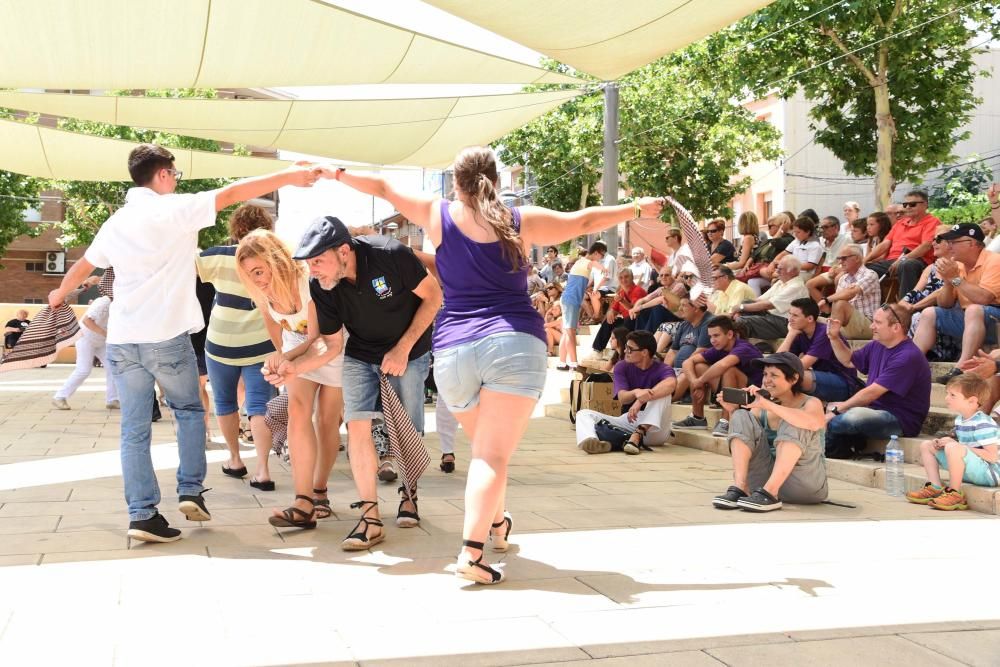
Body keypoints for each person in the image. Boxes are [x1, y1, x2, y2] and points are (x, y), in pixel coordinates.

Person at [324, 146, 665, 584]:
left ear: (456, 183)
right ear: (497, 181)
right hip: (513, 345)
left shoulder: (437, 213)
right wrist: (636, 207)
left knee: (489, 451)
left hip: (452, 355)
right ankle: (471, 552)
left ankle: (498, 523)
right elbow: (583, 221)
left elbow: (384, 187)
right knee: (491, 455)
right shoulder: (518, 220)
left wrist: (335, 172)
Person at [47, 143, 319, 545]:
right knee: (189, 411)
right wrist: (290, 177)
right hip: (166, 337)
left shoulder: (117, 222)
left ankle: (142, 514)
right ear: (162, 175)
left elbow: (85, 264)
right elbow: (233, 194)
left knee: (133, 431)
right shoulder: (175, 208)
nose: (176, 180)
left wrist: (60, 293)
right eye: (174, 174)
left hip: (123, 341)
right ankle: (190, 490)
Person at [269, 215, 440, 549]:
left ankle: (409, 495)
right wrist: (295, 368)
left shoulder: (390, 254)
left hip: (410, 348)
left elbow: (434, 297)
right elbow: (329, 344)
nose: (313, 270)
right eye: (309, 263)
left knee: (406, 426)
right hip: (361, 352)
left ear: (343, 251)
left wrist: (403, 349)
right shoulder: (323, 287)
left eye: (318, 261)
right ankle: (371, 518)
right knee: (357, 426)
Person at [237, 229, 346, 527]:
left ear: (277, 260)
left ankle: (319, 488)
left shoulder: (307, 282)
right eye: (250, 274)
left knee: (327, 420)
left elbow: (316, 338)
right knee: (298, 411)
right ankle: (303, 501)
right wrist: (279, 361)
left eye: (260, 270)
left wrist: (286, 360)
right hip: (295, 346)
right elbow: (280, 334)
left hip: (331, 343)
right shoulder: (261, 293)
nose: (257, 279)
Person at [197, 203, 278, 491]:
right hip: (262, 344)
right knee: (259, 406)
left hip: (220, 344)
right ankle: (263, 470)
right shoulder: (276, 258)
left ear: (235, 227)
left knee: (225, 403)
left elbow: (187, 265)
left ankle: (234, 459)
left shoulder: (218, 255)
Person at [713, 352, 828, 511]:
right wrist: (733, 411)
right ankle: (741, 487)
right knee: (741, 415)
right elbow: (745, 439)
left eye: (774, 375)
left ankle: (771, 493)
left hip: (804, 486)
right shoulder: (762, 407)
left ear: (794, 379)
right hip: (761, 486)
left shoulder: (811, 402)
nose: (766, 380)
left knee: (795, 420)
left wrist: (767, 404)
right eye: (765, 374)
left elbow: (814, 422)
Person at [823, 304, 931, 459]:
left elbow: (872, 393)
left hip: (900, 420)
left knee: (852, 417)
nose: (871, 326)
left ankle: (828, 443)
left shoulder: (908, 356)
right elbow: (848, 360)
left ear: (896, 327)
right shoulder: (877, 345)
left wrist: (838, 410)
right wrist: (834, 337)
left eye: (877, 322)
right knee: (833, 410)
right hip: (874, 409)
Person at [913, 223, 1000, 384]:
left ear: (972, 243)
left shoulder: (994, 260)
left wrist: (955, 279)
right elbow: (945, 304)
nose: (949, 246)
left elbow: (985, 298)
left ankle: (961, 367)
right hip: (969, 318)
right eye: (949, 242)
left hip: (995, 319)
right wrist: (947, 281)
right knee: (929, 313)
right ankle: (911, 363)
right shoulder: (957, 265)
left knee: (974, 310)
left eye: (954, 242)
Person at [906, 374, 999, 510]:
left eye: (953, 395)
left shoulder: (982, 423)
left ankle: (955, 494)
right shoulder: (961, 419)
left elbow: (992, 456)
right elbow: (962, 448)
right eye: (947, 393)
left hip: (989, 474)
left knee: (953, 447)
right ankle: (936, 487)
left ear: (972, 401)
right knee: (927, 445)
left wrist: (957, 445)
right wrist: (944, 442)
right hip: (973, 469)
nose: (946, 398)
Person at [575, 330, 676, 455]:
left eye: (630, 349)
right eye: (625, 348)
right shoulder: (621, 366)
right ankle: (591, 442)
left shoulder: (663, 368)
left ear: (644, 352)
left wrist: (641, 400)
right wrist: (635, 392)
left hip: (656, 429)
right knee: (583, 414)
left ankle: (638, 434)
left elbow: (671, 384)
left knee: (663, 393)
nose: (624, 351)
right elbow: (623, 398)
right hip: (631, 420)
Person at [672, 316, 763, 436]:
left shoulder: (743, 347)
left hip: (752, 396)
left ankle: (726, 421)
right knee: (698, 367)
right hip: (732, 392)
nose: (712, 340)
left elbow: (723, 365)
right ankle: (697, 418)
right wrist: (695, 382)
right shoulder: (719, 348)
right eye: (710, 336)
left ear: (730, 334)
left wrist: (700, 380)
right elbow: (687, 362)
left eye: (716, 335)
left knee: (729, 370)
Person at [777, 298, 859, 402]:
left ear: (810, 319)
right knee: (776, 373)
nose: (790, 319)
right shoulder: (799, 332)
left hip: (845, 383)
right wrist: (791, 334)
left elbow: (801, 367)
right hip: (822, 379)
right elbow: (775, 361)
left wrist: (791, 333)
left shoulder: (824, 333)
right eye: (790, 314)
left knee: (795, 376)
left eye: (795, 316)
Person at [864, 190, 941, 295]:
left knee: (906, 265)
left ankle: (906, 305)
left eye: (912, 204)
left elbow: (926, 246)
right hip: (892, 261)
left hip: (917, 260)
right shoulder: (900, 223)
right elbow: (885, 244)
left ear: (925, 205)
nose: (908, 207)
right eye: (905, 204)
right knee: (863, 269)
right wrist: (864, 260)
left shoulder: (932, 222)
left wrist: (904, 258)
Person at [52, 292, 119, 410]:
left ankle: (112, 399)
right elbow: (87, 321)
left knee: (113, 367)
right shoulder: (103, 302)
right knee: (83, 370)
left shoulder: (119, 304)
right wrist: (106, 334)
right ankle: (59, 397)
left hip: (101, 341)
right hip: (85, 338)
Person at [732, 256, 808, 339]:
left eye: (780, 269)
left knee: (742, 320)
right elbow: (759, 300)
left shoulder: (796, 286)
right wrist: (740, 308)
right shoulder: (781, 282)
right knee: (746, 302)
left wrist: (741, 308)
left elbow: (768, 305)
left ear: (792, 272)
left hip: (785, 322)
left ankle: (742, 346)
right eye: (777, 268)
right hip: (770, 315)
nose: (776, 271)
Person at [817, 245, 879, 339]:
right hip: (845, 324)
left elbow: (850, 293)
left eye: (844, 258)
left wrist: (826, 300)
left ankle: (830, 340)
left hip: (869, 325)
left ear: (857, 258)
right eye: (839, 258)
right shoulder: (842, 278)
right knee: (809, 318)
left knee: (840, 303)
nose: (840, 262)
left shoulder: (871, 275)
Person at [557, 244, 603, 370]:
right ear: (596, 253)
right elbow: (599, 268)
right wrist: (604, 269)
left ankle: (562, 362)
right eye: (601, 255)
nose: (601, 258)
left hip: (572, 300)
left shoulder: (581, 263)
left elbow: (584, 283)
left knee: (567, 333)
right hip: (570, 300)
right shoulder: (587, 262)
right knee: (570, 332)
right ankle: (573, 363)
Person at [589, 268, 645, 355]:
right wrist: (610, 312)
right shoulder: (621, 292)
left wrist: (622, 301)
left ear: (632, 278)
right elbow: (614, 309)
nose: (623, 280)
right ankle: (597, 350)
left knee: (626, 322)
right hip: (628, 321)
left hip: (638, 321)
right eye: (621, 278)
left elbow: (634, 309)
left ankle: (619, 354)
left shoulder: (638, 290)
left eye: (626, 277)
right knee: (608, 322)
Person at [762, 216, 823, 281]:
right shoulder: (796, 241)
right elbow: (784, 253)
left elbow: (810, 266)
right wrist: (772, 263)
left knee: (776, 277)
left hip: (804, 273)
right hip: (791, 270)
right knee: (766, 273)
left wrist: (789, 266)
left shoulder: (815, 245)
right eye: (794, 232)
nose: (795, 235)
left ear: (808, 232)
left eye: (798, 232)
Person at [663, 295, 710, 371]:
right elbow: (673, 351)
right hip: (677, 370)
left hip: (692, 371)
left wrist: (684, 371)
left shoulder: (708, 324)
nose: (680, 309)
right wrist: (665, 372)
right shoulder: (684, 325)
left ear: (696, 308)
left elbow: (700, 352)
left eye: (684, 305)